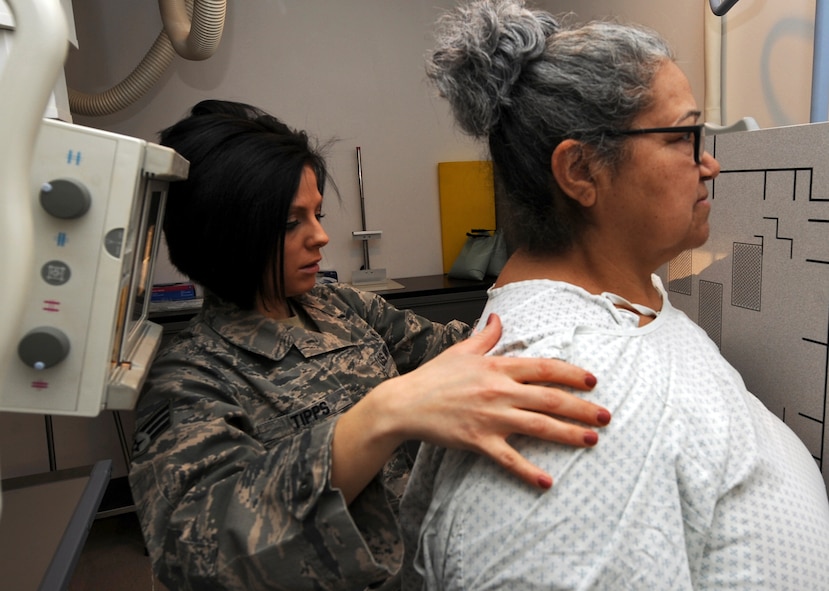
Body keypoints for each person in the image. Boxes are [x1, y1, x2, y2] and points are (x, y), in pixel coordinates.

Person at [400, 2, 829, 590]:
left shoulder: (632, 302)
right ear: (581, 170)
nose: (710, 165)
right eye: (683, 136)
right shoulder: (567, 398)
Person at [127, 98, 613, 591]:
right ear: (228, 233)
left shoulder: (334, 303)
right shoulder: (190, 376)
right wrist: (383, 414)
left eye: (316, 213)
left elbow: (454, 348)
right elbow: (196, 554)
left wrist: (576, 324)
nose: (321, 236)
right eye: (291, 222)